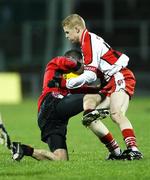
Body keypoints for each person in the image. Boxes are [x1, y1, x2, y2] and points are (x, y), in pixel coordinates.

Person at [61, 14, 143, 160]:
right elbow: (94, 73)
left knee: (116, 113)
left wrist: (68, 84)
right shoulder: (88, 40)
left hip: (119, 75)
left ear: (77, 29)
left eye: (67, 32)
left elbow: (91, 75)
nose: (66, 36)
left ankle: (134, 150)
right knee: (89, 119)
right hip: (109, 81)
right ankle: (116, 152)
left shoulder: (88, 41)